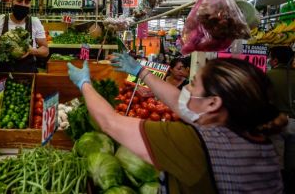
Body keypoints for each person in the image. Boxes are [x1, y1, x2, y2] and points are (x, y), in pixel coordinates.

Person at [67, 54, 285, 193]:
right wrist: (141, 72)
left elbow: (110, 123)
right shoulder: (256, 136)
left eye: (193, 84)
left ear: (212, 103)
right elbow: (178, 101)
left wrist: (84, 84)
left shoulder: (195, 144)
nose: (186, 90)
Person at [0, 0, 49, 73]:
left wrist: (31, 51)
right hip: (3, 73)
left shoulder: (35, 22)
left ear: (30, 4)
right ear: (11, 1)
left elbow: (45, 50)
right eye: (19, 0)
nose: (23, 4)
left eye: (27, 2)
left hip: (28, 73)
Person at [267, 46, 295, 192]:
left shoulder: (268, 76)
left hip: (276, 123)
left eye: (270, 58)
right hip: (294, 123)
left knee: (277, 161)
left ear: (275, 60)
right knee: (292, 161)